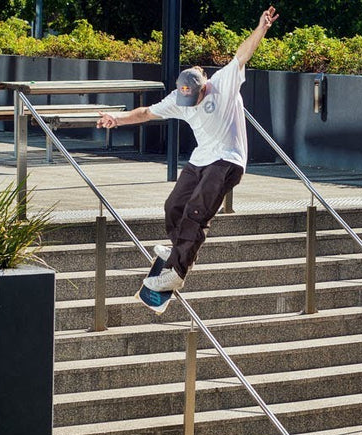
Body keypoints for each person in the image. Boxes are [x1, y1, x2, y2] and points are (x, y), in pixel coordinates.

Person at [97, 6, 279, 310]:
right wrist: (116, 118)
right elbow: (145, 112)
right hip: (201, 158)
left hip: (228, 160)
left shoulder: (223, 83)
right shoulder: (178, 99)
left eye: (194, 100)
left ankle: (177, 271)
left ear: (203, 87)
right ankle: (178, 250)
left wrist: (261, 27)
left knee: (196, 210)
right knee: (174, 206)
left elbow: (243, 54)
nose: (189, 106)